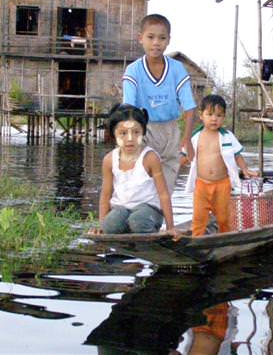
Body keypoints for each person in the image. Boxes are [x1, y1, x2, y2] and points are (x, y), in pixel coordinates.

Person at [122, 14, 196, 194]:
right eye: (150, 37)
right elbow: (128, 109)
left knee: (166, 186)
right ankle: (139, 217)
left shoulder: (177, 69)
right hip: (144, 129)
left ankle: (161, 221)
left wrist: (187, 140)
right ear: (141, 38)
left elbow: (190, 107)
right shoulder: (133, 71)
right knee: (140, 182)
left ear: (168, 40)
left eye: (162, 38)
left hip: (171, 132)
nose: (156, 42)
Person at [91, 104, 176, 235]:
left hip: (149, 210)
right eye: (123, 133)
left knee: (138, 221)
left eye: (136, 132)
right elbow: (106, 195)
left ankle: (149, 241)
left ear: (143, 132)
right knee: (110, 225)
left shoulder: (150, 158)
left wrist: (170, 228)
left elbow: (163, 194)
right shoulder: (109, 160)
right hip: (121, 209)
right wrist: (102, 225)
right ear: (114, 134)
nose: (130, 139)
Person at [185, 94, 258, 236]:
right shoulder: (195, 137)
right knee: (199, 217)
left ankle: (226, 238)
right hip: (201, 185)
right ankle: (196, 239)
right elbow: (184, 155)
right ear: (201, 115)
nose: (214, 119)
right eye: (210, 114)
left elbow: (237, 155)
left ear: (223, 117)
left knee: (224, 217)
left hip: (222, 184)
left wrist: (245, 169)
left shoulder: (227, 136)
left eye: (219, 115)